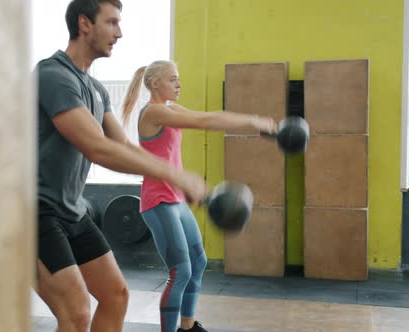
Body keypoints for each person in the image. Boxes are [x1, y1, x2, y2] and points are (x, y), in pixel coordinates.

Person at [35, 1, 209, 331]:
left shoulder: (96, 89)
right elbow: (98, 148)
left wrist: (176, 177)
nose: (120, 32)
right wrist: (174, 175)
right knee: (75, 311)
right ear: (85, 24)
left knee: (116, 295)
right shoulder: (53, 75)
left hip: (72, 212)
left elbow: (123, 147)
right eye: (111, 22)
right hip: (35, 211)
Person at [121, 60, 277, 332]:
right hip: (158, 202)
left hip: (177, 200)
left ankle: (188, 326)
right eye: (173, 79)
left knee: (199, 261)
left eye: (178, 78)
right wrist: (253, 121)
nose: (179, 84)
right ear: (155, 83)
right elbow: (204, 120)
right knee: (180, 271)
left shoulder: (169, 110)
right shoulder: (153, 113)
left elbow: (204, 117)